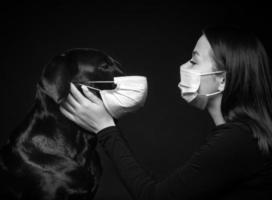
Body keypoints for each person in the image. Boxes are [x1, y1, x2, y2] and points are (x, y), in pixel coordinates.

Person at [59, 26, 272, 199]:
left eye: (194, 61)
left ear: (222, 79)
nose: (184, 65)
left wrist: (105, 128)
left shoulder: (236, 140)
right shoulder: (242, 136)